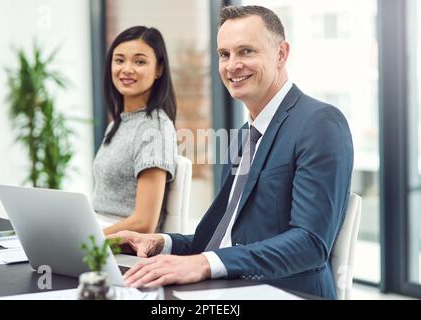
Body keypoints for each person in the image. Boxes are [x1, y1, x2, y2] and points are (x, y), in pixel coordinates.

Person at [108, 6, 353, 299]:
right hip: (227, 287)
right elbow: (223, 239)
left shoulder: (319, 123)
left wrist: (203, 264)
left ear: (281, 53)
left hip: (282, 290)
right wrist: (161, 242)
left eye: (246, 51)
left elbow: (311, 243)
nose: (232, 65)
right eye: (224, 54)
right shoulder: (241, 137)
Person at [92, 26, 177, 236]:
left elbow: (144, 223)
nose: (127, 69)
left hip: (124, 248)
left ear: (159, 69)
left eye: (139, 61)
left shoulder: (154, 129)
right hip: (100, 234)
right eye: (119, 60)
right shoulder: (118, 123)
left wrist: (89, 240)